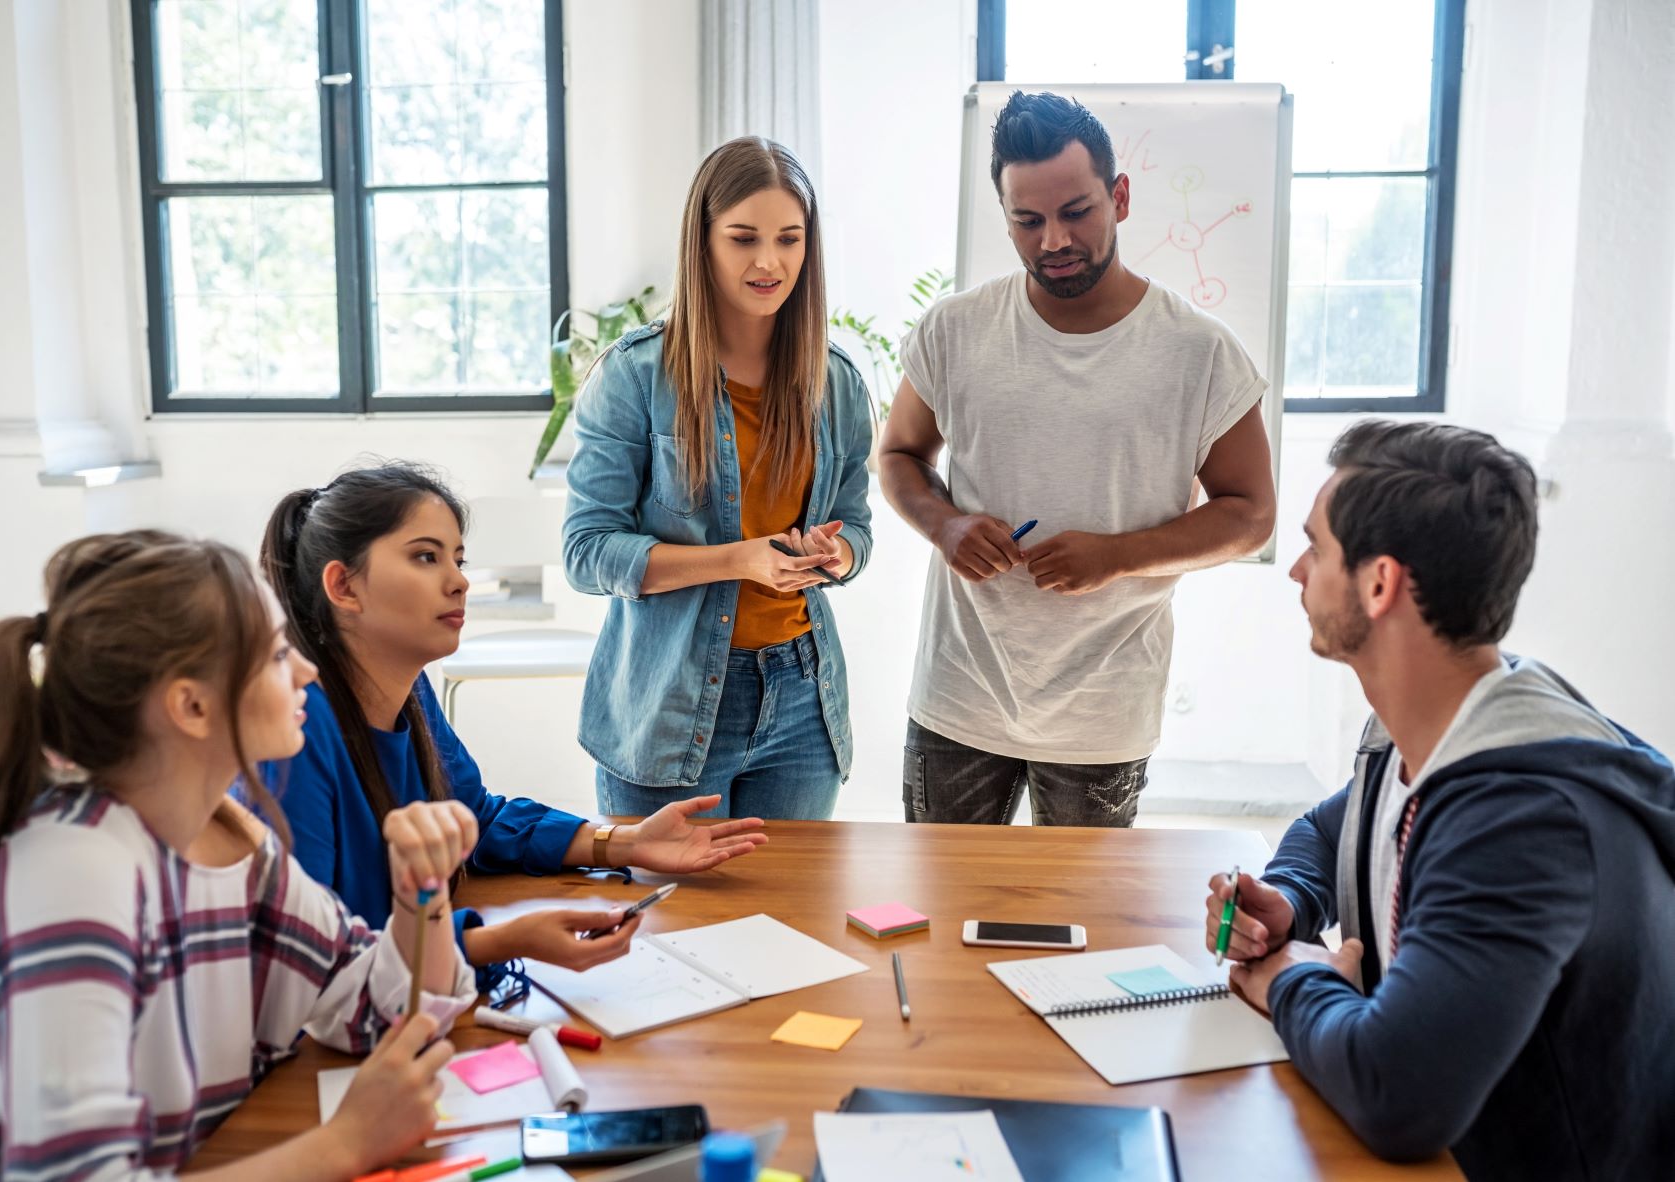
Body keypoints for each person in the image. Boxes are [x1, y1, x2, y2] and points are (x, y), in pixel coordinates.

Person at [0, 531, 482, 1178]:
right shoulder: (69, 875)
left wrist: (420, 897)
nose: (307, 671)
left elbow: (377, 1016)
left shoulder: (229, 842)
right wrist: (342, 1144)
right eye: (274, 654)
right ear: (192, 705)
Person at [1205, 421, 1675, 1178]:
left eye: (1316, 548)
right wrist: (1288, 904)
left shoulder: (1520, 821)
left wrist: (1295, 976)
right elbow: (1331, 831)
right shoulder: (1439, 717)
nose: (1296, 570)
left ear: (1379, 583)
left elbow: (1399, 1097)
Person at [879, 89, 1276, 827]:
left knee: (1084, 935)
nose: (1053, 240)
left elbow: (1250, 515)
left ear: (1118, 197)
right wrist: (945, 526)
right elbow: (897, 454)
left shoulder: (1199, 352)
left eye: (1076, 212)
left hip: (1103, 714)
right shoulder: (956, 329)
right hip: (958, 698)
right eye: (1026, 221)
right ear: (1003, 216)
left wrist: (1118, 556)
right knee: (938, 911)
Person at [261, 464, 767, 996]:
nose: (458, 582)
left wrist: (625, 844)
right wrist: (502, 941)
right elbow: (318, 961)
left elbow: (476, 818)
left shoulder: (411, 694)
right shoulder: (294, 735)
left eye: (458, 560)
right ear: (343, 585)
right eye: (425, 557)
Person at [562, 136, 874, 820]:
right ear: (701, 242)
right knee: (669, 925)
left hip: (802, 702)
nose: (769, 261)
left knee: (789, 924)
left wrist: (837, 553)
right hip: (667, 708)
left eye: (789, 239)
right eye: (742, 238)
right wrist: (741, 561)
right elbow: (586, 554)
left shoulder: (838, 383)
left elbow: (857, 525)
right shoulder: (635, 375)